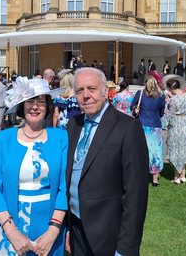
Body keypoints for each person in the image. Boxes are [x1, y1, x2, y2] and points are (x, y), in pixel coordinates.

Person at [65, 68, 148, 256]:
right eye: (79, 91)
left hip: (108, 234)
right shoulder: (73, 124)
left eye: (91, 89)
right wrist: (69, 227)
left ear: (105, 91)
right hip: (77, 227)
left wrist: (126, 249)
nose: (86, 95)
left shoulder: (128, 128)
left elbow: (136, 194)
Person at [0, 77, 68, 256]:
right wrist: (11, 232)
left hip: (49, 225)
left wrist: (53, 231)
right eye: (30, 100)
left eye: (41, 101)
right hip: (9, 224)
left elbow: (65, 187)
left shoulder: (61, 137)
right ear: (22, 105)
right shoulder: (2, 139)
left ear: (47, 106)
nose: (35, 106)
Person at [132, 75, 165, 187]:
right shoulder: (160, 96)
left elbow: (133, 106)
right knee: (155, 151)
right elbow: (161, 112)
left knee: (141, 150)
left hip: (142, 125)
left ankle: (141, 175)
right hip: (155, 126)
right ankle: (155, 180)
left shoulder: (140, 94)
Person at [163, 74, 186, 185]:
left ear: (171, 88)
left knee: (176, 149)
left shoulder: (173, 100)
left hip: (177, 124)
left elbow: (170, 116)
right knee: (185, 148)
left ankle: (176, 176)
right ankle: (183, 175)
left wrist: (166, 118)